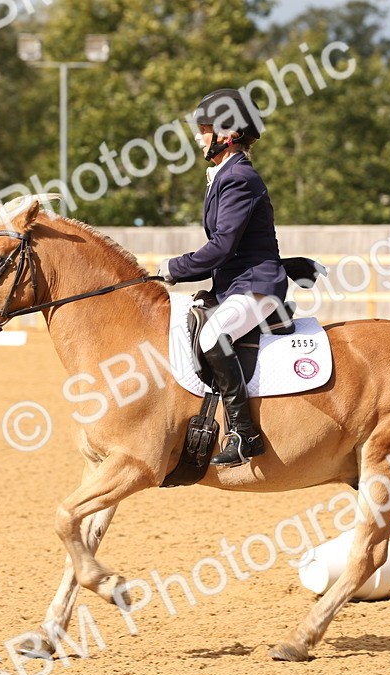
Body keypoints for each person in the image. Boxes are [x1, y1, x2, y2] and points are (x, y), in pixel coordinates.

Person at [158, 89, 288, 468]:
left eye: (205, 129)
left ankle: (245, 435)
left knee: (214, 336)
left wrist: (174, 268)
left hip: (257, 285)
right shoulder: (223, 176)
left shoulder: (239, 178)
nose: (199, 137)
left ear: (228, 134)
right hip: (234, 284)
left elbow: (222, 246)